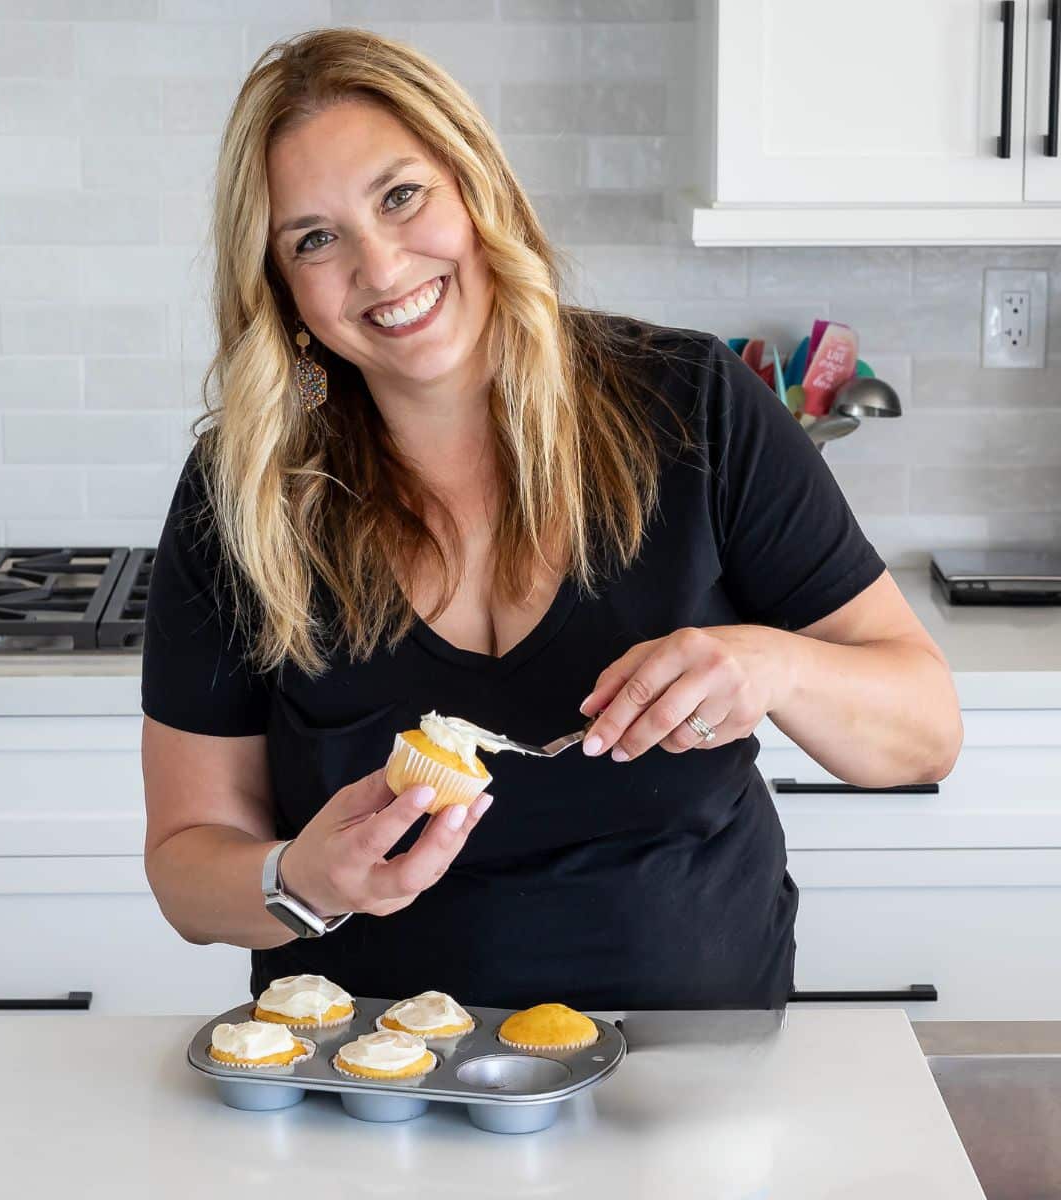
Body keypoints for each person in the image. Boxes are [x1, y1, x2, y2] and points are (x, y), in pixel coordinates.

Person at [140, 28, 963, 1012]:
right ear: (280, 289)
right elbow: (188, 865)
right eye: (315, 238)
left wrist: (773, 664)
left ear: (476, 187)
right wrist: (302, 882)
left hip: (690, 1072)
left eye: (401, 197)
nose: (380, 263)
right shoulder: (247, 489)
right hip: (369, 1082)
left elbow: (925, 734)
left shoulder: (694, 407)